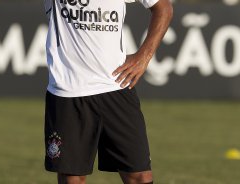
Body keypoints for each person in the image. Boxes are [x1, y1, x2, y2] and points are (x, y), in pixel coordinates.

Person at [43, 0, 173, 183]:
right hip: (68, 91)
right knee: (73, 178)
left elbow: (163, 8)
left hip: (116, 86)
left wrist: (144, 57)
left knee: (139, 176)